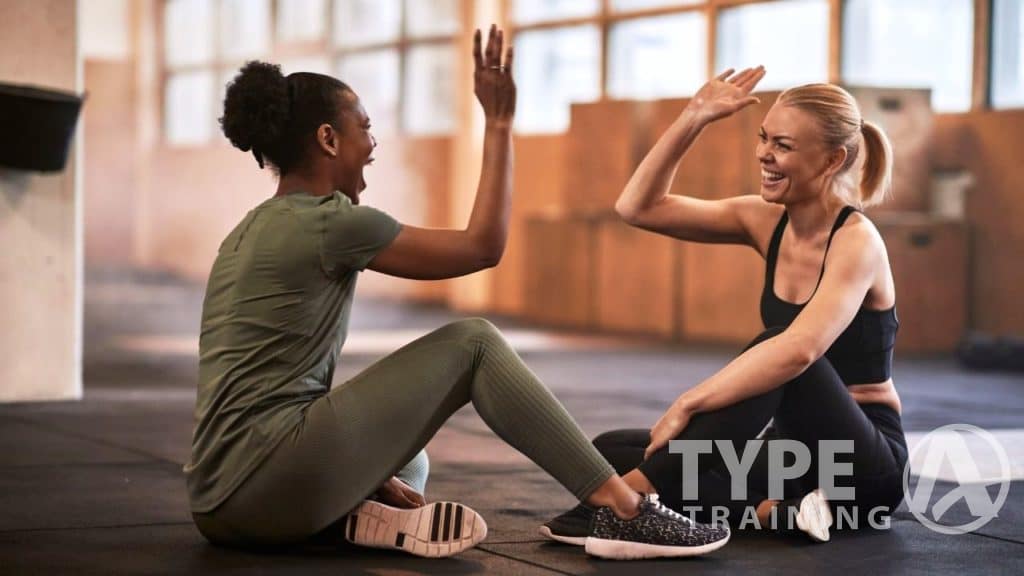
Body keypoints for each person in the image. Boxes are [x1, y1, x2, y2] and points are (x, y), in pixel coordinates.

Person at [184, 25, 729, 560]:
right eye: (365, 127)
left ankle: (355, 516)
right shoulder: (334, 224)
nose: (373, 143)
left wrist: (367, 474)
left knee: (409, 459)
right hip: (266, 483)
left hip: (218, 504)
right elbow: (482, 248)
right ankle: (623, 508)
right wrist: (498, 122)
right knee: (473, 343)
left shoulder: (248, 230)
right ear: (328, 139)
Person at [542, 67, 908, 545]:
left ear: (832, 159)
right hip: (790, 461)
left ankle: (629, 504)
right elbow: (637, 208)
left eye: (783, 145)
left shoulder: (858, 242)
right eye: (763, 138)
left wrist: (688, 402)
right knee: (613, 450)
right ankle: (769, 513)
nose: (764, 154)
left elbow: (799, 350)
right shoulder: (764, 220)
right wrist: (694, 117)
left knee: (778, 350)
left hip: (861, 468)